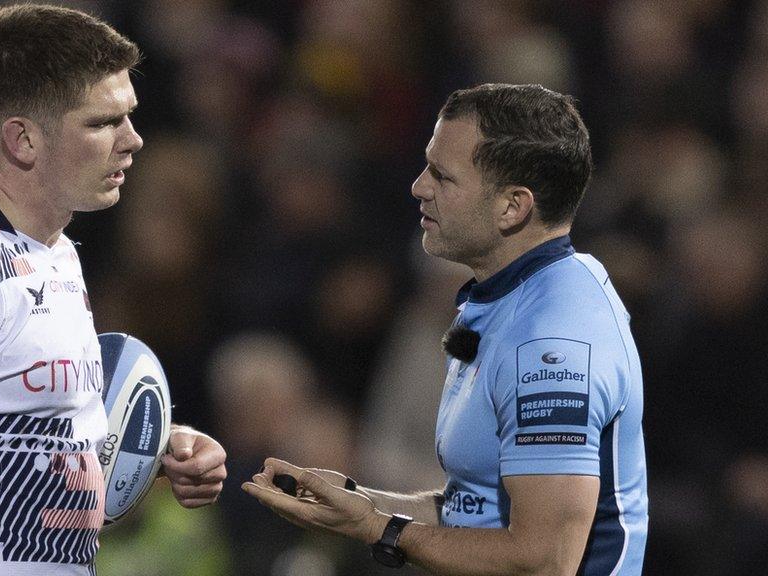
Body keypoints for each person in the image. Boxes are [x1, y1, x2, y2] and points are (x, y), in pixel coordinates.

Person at [0, 5, 226, 576]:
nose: (134, 140)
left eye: (129, 116)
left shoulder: (53, 253)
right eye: (103, 122)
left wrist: (163, 446)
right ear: (22, 139)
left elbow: (30, 430)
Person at [243, 83, 648, 575]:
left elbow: (543, 561)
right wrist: (361, 508)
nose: (418, 186)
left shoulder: (552, 345)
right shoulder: (507, 301)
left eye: (442, 176)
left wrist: (381, 530)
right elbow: (476, 511)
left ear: (512, 207)